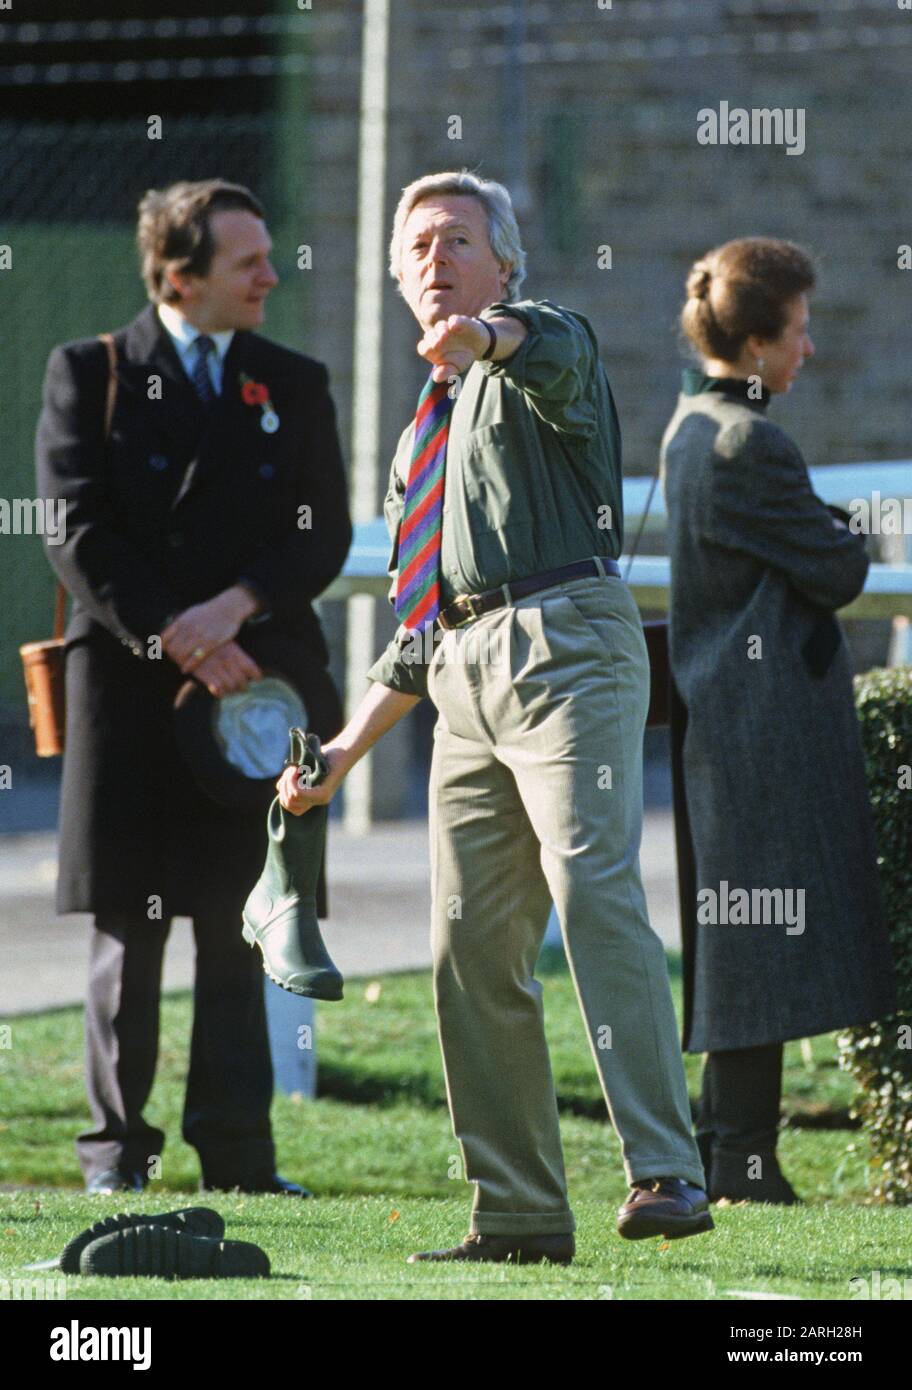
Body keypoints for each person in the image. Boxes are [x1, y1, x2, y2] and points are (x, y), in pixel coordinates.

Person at [277, 170, 712, 1264]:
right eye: (416, 247)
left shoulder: (544, 344)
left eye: (459, 240)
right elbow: (417, 628)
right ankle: (517, 1215)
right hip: (459, 676)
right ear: (393, 276)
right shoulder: (420, 436)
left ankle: (668, 1168)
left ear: (505, 263)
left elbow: (544, 344)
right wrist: (337, 751)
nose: (436, 260)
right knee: (467, 946)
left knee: (591, 886)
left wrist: (491, 336)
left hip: (566, 640)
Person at [35, 179, 352, 1196]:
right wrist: (176, 629)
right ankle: (115, 1159)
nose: (272, 275)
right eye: (248, 262)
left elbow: (323, 530)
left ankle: (242, 1160)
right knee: (129, 933)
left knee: (240, 919)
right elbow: (75, 527)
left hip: (256, 689)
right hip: (131, 693)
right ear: (180, 276)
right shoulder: (90, 372)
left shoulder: (292, 381)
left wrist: (236, 608)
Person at [660, 237, 897, 1203]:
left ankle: (731, 1149)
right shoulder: (747, 442)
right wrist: (859, 530)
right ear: (755, 343)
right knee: (756, 945)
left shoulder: (694, 423)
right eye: (799, 331)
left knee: (740, 936)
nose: (811, 350)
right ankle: (743, 1163)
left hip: (728, 720)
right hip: (761, 728)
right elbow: (839, 567)